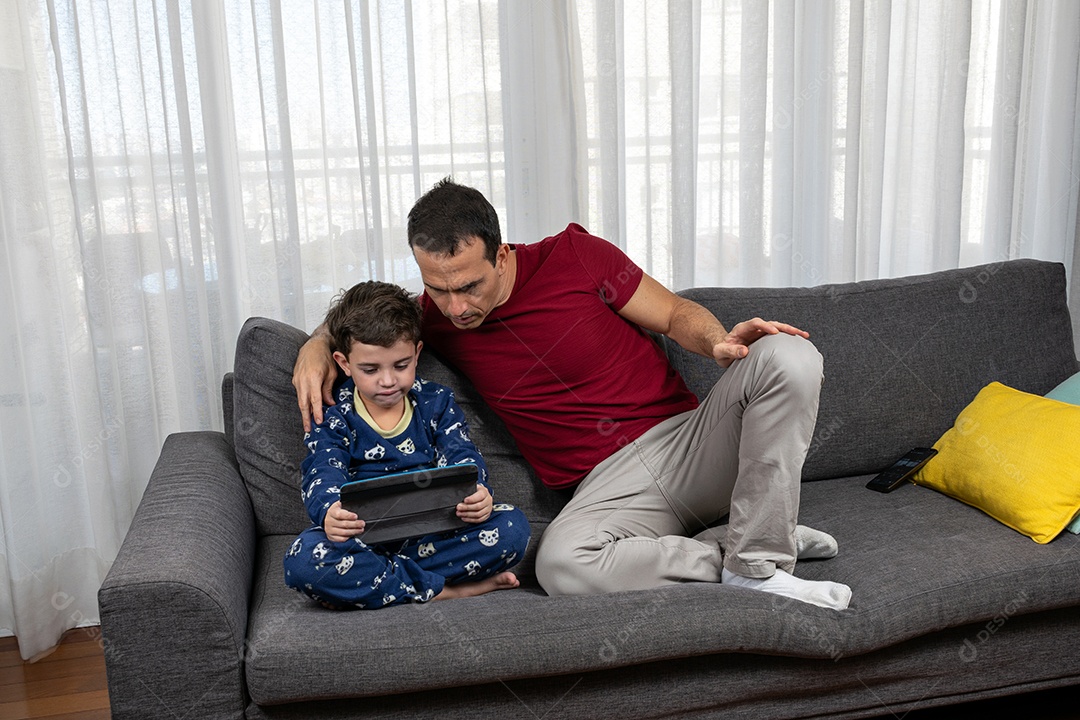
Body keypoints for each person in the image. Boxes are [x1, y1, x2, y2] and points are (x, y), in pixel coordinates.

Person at [293, 179, 852, 611]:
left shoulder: (576, 257)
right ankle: (742, 547)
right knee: (560, 567)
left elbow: (677, 313)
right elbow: (367, 327)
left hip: (687, 444)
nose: (456, 306)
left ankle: (758, 557)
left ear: (503, 254)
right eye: (438, 289)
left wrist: (718, 342)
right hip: (608, 493)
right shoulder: (431, 323)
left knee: (790, 355)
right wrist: (317, 343)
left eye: (468, 285)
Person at [283, 280, 530, 609]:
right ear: (344, 363)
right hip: (364, 540)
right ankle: (446, 590)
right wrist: (330, 511)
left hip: (435, 533)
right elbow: (322, 471)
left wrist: (477, 492)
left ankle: (379, 583)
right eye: (370, 369)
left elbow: (461, 454)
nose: (387, 381)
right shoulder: (335, 414)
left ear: (416, 353)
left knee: (513, 527)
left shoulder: (436, 402)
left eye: (400, 365)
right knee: (303, 560)